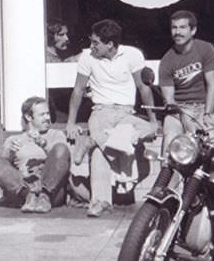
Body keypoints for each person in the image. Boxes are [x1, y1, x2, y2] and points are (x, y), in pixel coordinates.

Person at [65, 19, 157, 217]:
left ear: (111, 44)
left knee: (143, 130)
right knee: (104, 149)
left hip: (126, 113)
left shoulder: (132, 55)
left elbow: (143, 88)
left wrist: (153, 120)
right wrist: (71, 122)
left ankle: (91, 141)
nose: (92, 46)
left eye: (96, 43)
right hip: (101, 112)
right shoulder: (87, 57)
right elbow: (78, 90)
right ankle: (101, 201)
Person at [0, 96, 70, 213]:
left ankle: (43, 196)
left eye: (48, 114)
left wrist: (43, 143)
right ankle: (29, 196)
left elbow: (61, 158)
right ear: (28, 117)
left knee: (61, 148)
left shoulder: (56, 135)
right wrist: (9, 152)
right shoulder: (13, 139)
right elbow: (3, 169)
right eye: (42, 115)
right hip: (23, 189)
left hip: (51, 191)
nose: (47, 118)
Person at [159, 10, 214, 153]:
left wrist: (208, 114)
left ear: (193, 30)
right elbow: (169, 99)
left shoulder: (206, 49)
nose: (177, 32)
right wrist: (183, 117)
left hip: (203, 108)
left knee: (212, 142)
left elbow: (212, 84)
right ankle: (168, 175)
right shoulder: (167, 60)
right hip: (178, 110)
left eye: (182, 27)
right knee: (170, 147)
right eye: (174, 27)